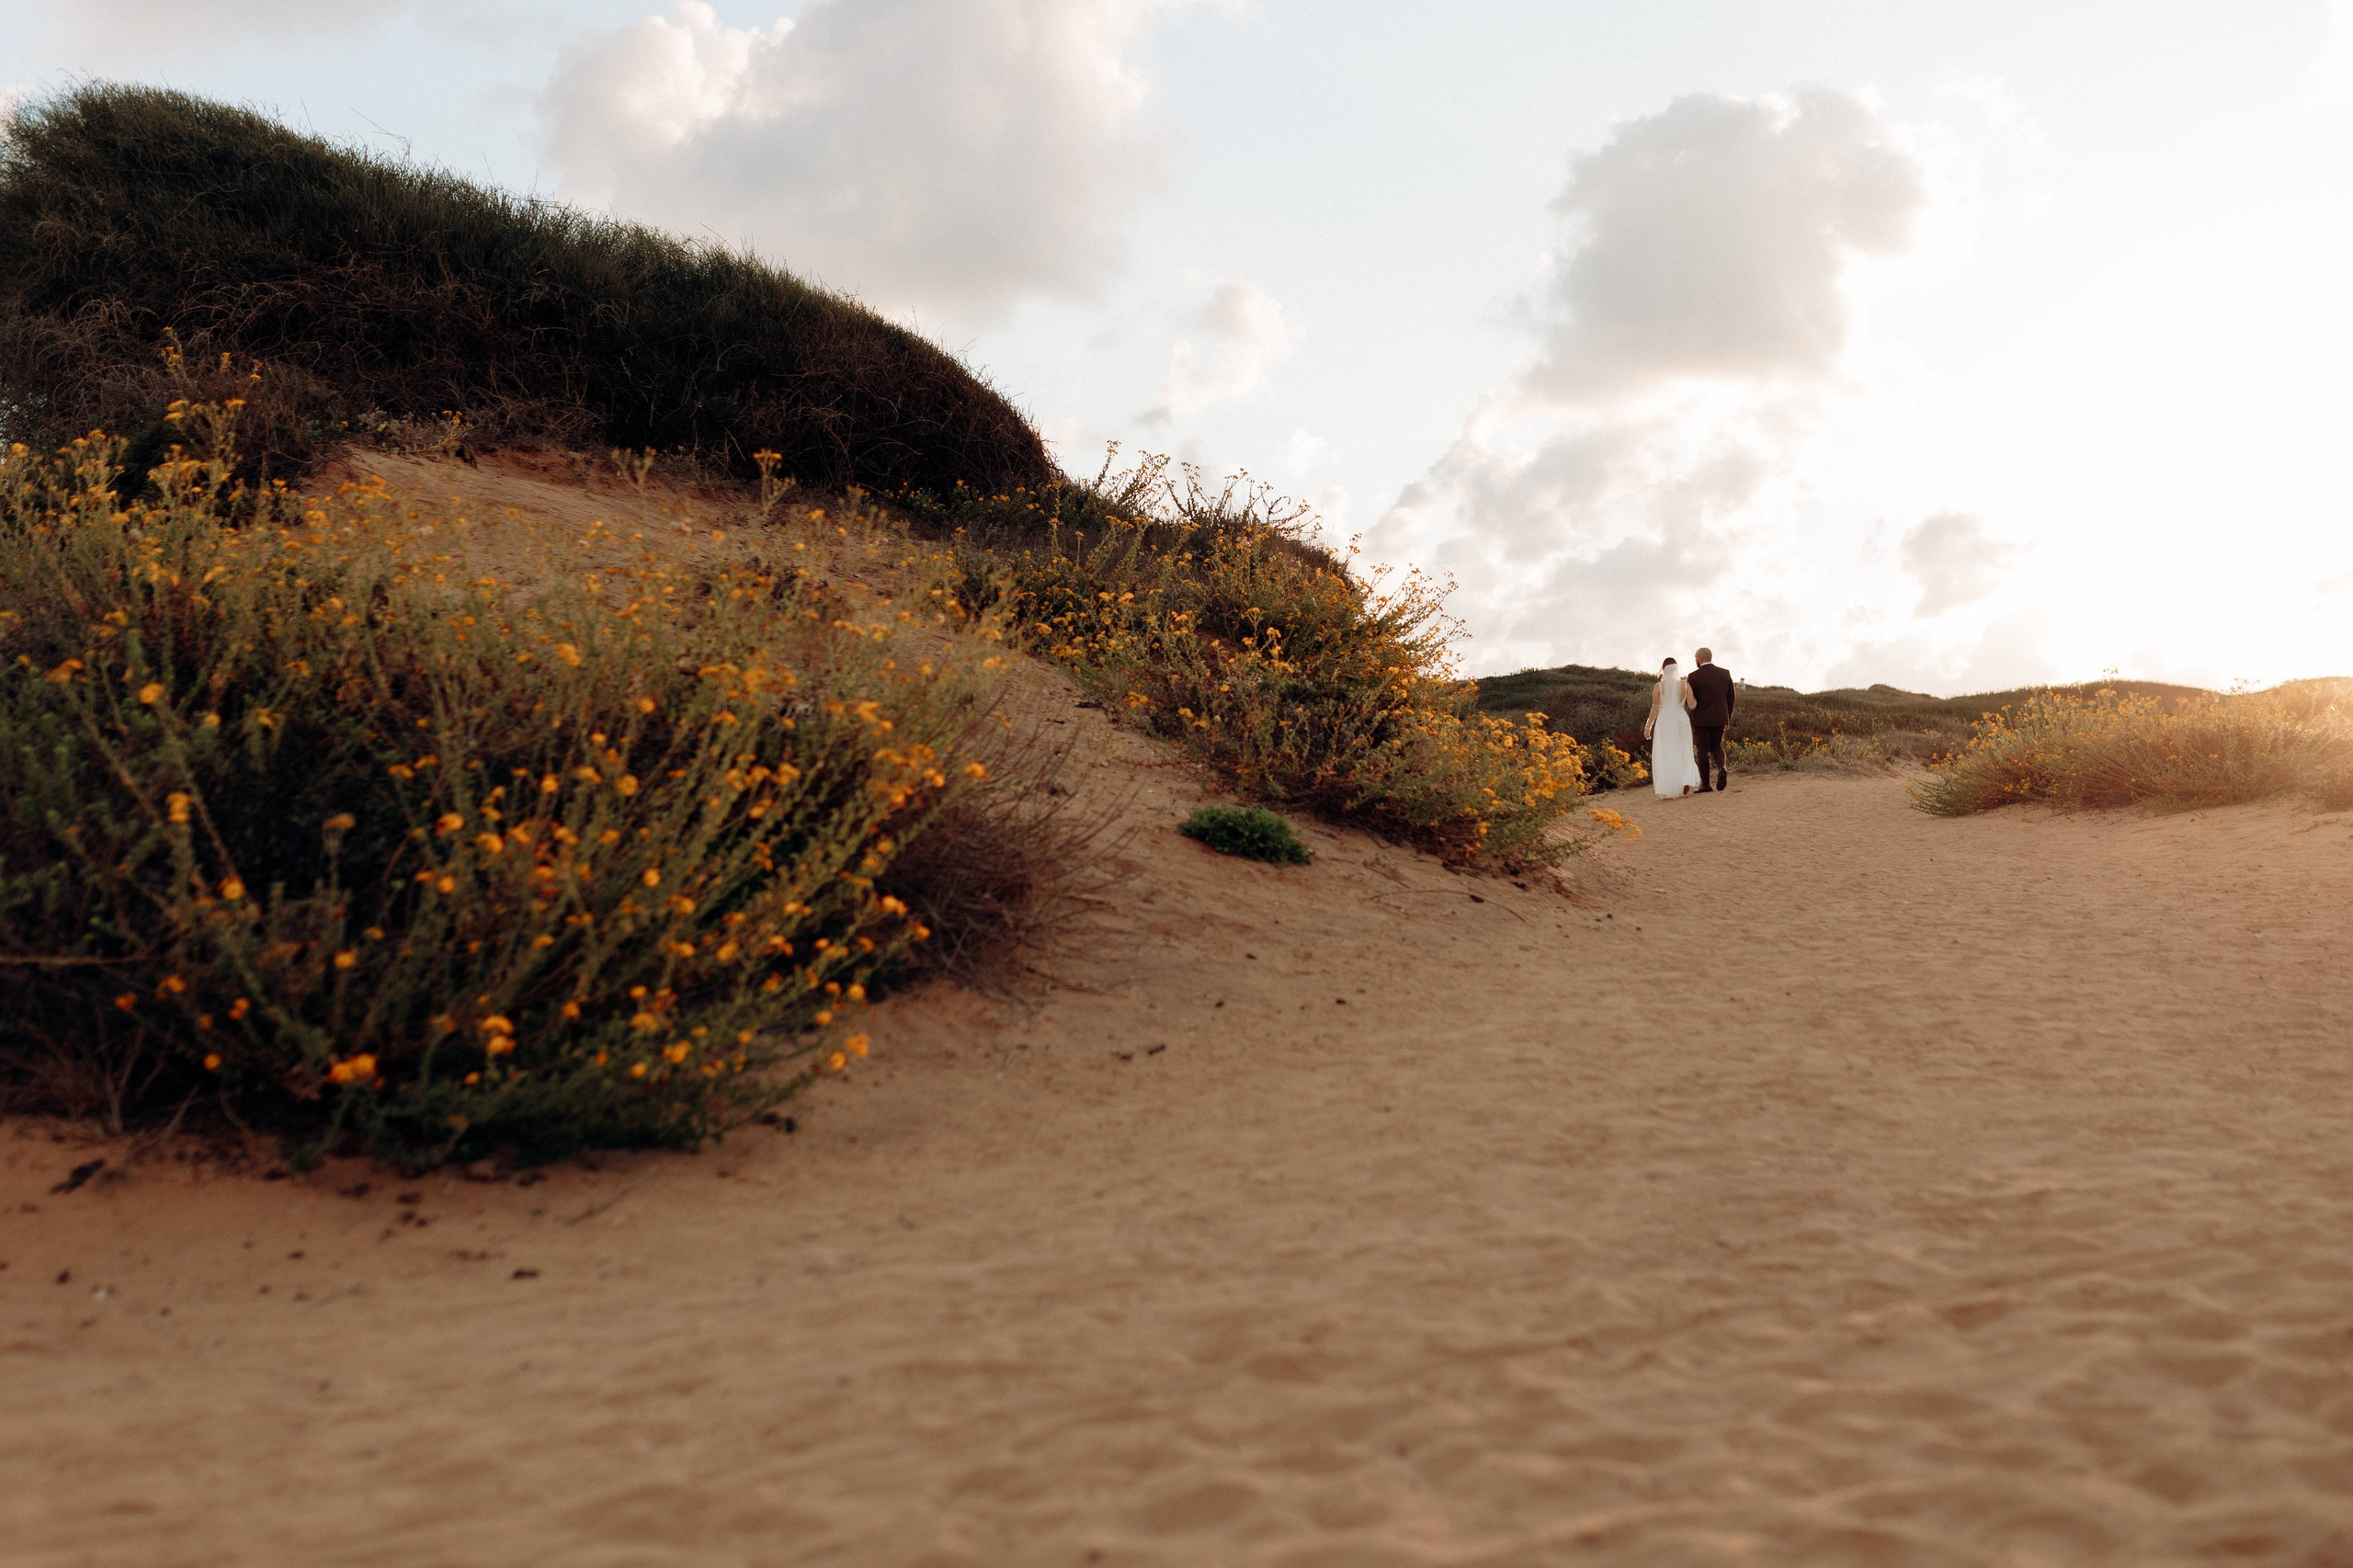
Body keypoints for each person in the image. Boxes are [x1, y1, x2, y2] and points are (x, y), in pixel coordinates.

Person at [1643, 657, 1701, 798]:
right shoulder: (1685, 685)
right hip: (1681, 718)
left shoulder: (1659, 686)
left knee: (1666, 751)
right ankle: (1686, 779)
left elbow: (1655, 708)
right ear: (1677, 669)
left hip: (1665, 720)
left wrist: (1648, 727)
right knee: (1684, 749)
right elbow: (1693, 705)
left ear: (1663, 669)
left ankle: (1668, 785)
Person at [1687, 647, 1735, 793]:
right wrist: (1727, 717)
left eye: (1695, 657)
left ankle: (1706, 784)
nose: (1695, 660)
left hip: (1701, 719)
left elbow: (1691, 700)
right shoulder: (1725, 673)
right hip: (1720, 717)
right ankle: (1722, 767)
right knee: (1716, 747)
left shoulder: (1694, 676)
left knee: (1702, 750)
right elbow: (1731, 698)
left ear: (1700, 659)